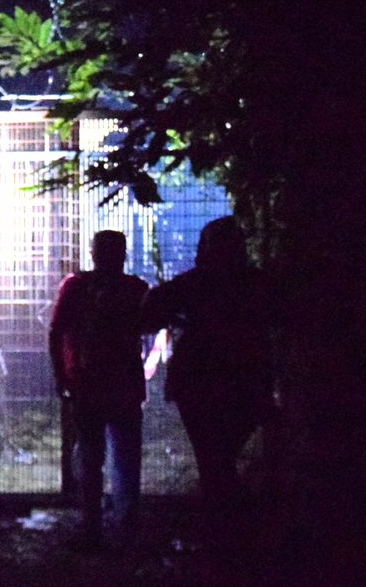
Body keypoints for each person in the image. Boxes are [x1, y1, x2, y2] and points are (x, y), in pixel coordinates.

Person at [140, 216, 272, 520]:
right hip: (244, 379)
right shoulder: (254, 282)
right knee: (220, 456)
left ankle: (221, 519)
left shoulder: (194, 283)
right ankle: (228, 519)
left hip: (198, 382)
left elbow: (150, 310)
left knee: (211, 456)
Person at [49, 230, 149, 549]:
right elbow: (147, 326)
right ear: (123, 255)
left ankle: (91, 525)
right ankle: (126, 525)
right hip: (123, 384)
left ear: (92, 254)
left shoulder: (77, 286)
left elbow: (56, 331)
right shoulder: (135, 289)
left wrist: (62, 376)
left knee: (91, 457)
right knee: (125, 456)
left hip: (87, 383)